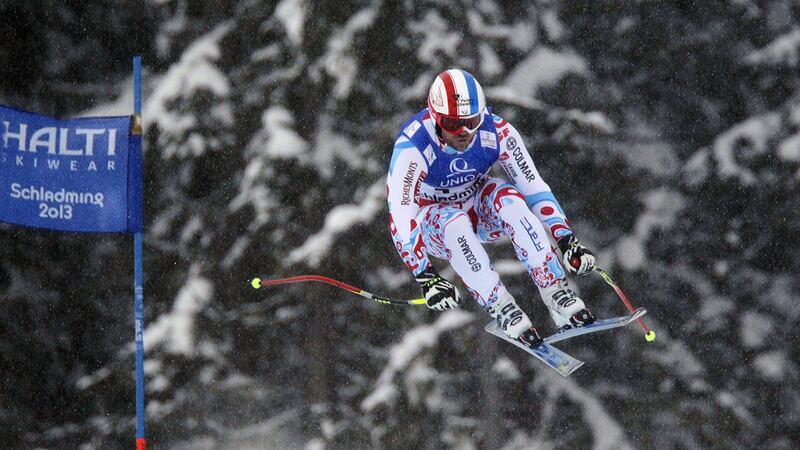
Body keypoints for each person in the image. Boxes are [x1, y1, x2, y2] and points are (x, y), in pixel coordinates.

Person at [386, 69, 597, 347]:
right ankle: (501, 306)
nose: (463, 133)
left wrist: (566, 239)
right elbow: (400, 214)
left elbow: (533, 186)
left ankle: (556, 291)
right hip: (435, 223)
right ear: (435, 117)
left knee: (509, 199)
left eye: (471, 122)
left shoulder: (497, 131)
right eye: (452, 124)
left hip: (478, 209)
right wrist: (426, 276)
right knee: (453, 221)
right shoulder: (413, 144)